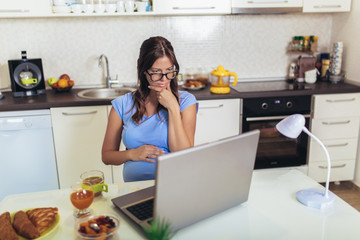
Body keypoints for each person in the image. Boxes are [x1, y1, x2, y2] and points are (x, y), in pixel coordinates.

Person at [102, 36, 198, 182]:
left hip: (174, 185)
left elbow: (183, 155)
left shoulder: (186, 102)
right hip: (134, 189)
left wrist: (172, 107)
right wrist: (131, 154)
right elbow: (107, 156)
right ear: (144, 71)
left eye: (169, 71)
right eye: (156, 72)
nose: (164, 79)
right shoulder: (122, 104)